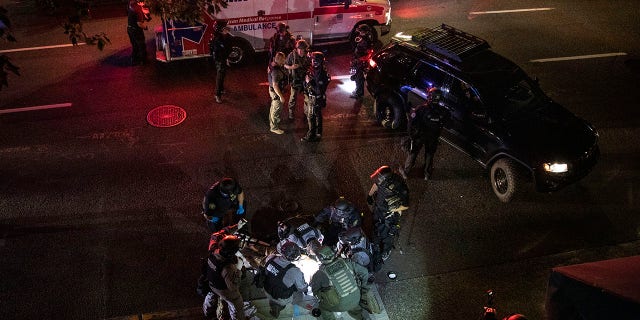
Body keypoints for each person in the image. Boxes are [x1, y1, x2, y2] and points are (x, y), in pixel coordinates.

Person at [399, 88, 450, 181]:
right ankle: (427, 174)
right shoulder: (444, 111)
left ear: (430, 97)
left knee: (413, 153)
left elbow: (411, 122)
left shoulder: (421, 109)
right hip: (433, 137)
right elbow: (449, 125)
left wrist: (411, 135)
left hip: (420, 136)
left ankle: (406, 172)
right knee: (429, 155)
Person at [310, 246, 371, 320]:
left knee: (322, 307)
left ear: (320, 259)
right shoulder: (346, 262)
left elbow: (315, 292)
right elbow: (364, 272)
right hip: (356, 297)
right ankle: (362, 317)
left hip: (339, 305)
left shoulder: (319, 274)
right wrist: (363, 289)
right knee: (354, 306)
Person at [367, 165, 409, 261]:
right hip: (378, 209)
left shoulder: (399, 185)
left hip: (390, 216)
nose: (379, 179)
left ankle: (386, 251)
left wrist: (390, 209)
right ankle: (375, 243)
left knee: (387, 236)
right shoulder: (382, 179)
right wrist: (369, 195)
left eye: (380, 178)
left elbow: (405, 205)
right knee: (376, 227)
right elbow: (376, 185)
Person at [203, 235, 246, 320]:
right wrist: (239, 270)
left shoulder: (213, 250)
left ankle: (207, 312)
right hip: (223, 290)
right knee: (237, 302)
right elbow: (233, 287)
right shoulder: (228, 268)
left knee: (210, 298)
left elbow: (215, 236)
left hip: (211, 283)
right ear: (231, 251)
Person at [262, 239, 308, 318]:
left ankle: (273, 304)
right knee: (299, 292)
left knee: (276, 281)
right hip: (281, 298)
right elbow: (302, 288)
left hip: (266, 289)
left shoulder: (270, 257)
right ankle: (294, 313)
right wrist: (306, 283)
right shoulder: (295, 271)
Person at [301, 51, 331, 142]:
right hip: (313, 97)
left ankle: (311, 134)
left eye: (315, 60)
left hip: (315, 98)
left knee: (311, 116)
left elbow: (319, 90)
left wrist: (308, 82)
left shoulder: (321, 74)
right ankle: (318, 133)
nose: (313, 61)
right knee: (317, 115)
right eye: (312, 59)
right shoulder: (316, 69)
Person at [284, 39, 311, 120]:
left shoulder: (308, 56)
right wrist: (291, 67)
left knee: (307, 99)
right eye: (299, 49)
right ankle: (291, 113)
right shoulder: (292, 55)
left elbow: (311, 67)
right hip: (295, 80)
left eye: (302, 49)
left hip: (304, 81)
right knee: (293, 98)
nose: (300, 51)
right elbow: (285, 65)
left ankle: (306, 114)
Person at [209, 19, 232, 104]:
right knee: (220, 75)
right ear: (220, 29)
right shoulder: (218, 38)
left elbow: (227, 49)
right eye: (225, 28)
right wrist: (225, 59)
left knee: (223, 74)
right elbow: (221, 50)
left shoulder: (224, 36)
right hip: (219, 59)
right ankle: (217, 94)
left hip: (222, 58)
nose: (227, 29)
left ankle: (221, 89)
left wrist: (227, 58)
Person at [349, 24, 373, 99]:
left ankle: (359, 94)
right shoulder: (363, 38)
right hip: (358, 61)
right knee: (357, 77)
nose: (359, 33)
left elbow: (368, 54)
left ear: (365, 32)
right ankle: (358, 90)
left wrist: (358, 60)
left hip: (361, 63)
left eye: (361, 31)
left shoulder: (367, 41)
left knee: (359, 78)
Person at [268, 51, 288, 135]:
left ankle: (273, 122)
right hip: (276, 91)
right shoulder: (276, 71)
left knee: (273, 107)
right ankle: (274, 127)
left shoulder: (273, 65)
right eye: (284, 59)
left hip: (273, 90)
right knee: (276, 108)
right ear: (280, 60)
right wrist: (281, 96)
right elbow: (275, 85)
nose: (285, 60)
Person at [126, 0, 150, 66]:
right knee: (142, 45)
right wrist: (145, 27)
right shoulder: (138, 9)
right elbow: (139, 24)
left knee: (135, 46)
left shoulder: (131, 4)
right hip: (136, 30)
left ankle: (134, 60)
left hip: (129, 28)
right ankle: (144, 61)